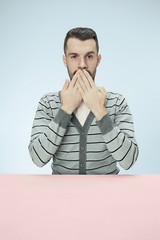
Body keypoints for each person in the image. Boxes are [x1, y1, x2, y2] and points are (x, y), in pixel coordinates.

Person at [28, 27, 139, 175]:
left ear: (98, 60)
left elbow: (129, 160)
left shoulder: (117, 102)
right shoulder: (48, 103)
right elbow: (37, 158)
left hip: (108, 195)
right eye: (74, 56)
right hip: (60, 195)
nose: (82, 64)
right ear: (65, 60)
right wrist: (65, 109)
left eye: (89, 56)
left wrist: (100, 111)